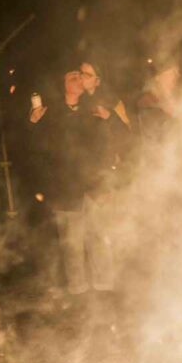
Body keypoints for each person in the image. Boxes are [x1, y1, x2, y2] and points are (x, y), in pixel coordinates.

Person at [29, 68, 115, 305]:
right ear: (63, 85)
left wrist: (106, 182)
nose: (78, 79)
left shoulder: (93, 110)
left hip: (94, 186)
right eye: (72, 77)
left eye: (80, 76)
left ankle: (105, 291)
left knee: (100, 240)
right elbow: (39, 150)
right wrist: (34, 123)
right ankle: (78, 295)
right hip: (66, 188)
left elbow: (106, 147)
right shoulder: (51, 113)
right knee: (73, 247)